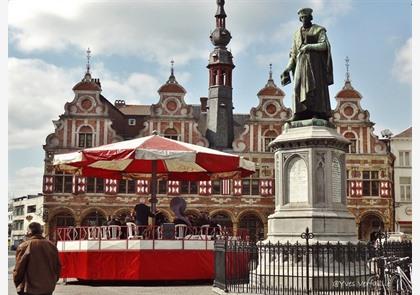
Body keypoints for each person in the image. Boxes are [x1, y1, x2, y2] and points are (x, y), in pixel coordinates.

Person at [281, 8, 333, 121]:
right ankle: (299, 113)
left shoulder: (319, 30)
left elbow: (324, 45)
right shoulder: (296, 35)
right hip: (301, 64)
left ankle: (316, 112)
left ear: (311, 18)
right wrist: (287, 68)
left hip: (315, 65)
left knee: (316, 88)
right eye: (302, 17)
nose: (304, 19)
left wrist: (309, 47)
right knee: (297, 87)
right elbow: (293, 54)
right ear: (300, 19)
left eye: (306, 17)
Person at [13, 222, 61, 295]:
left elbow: (18, 270)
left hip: (29, 289)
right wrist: (52, 281)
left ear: (29, 232)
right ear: (41, 232)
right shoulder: (52, 246)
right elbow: (58, 267)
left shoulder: (24, 246)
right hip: (48, 288)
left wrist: (18, 285)